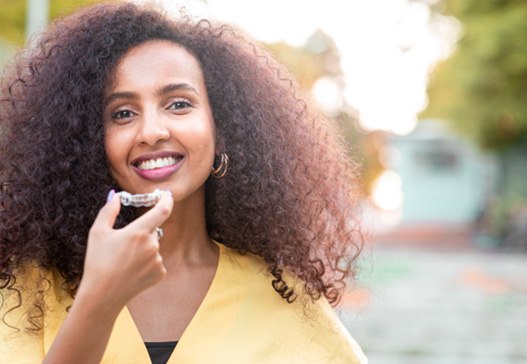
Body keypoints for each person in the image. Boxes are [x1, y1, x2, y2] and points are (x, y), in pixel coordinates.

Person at [0, 2, 366, 363]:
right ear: (87, 141)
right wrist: (99, 299)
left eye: (178, 104)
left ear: (221, 128)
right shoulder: (28, 289)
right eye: (123, 113)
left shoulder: (284, 296)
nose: (152, 132)